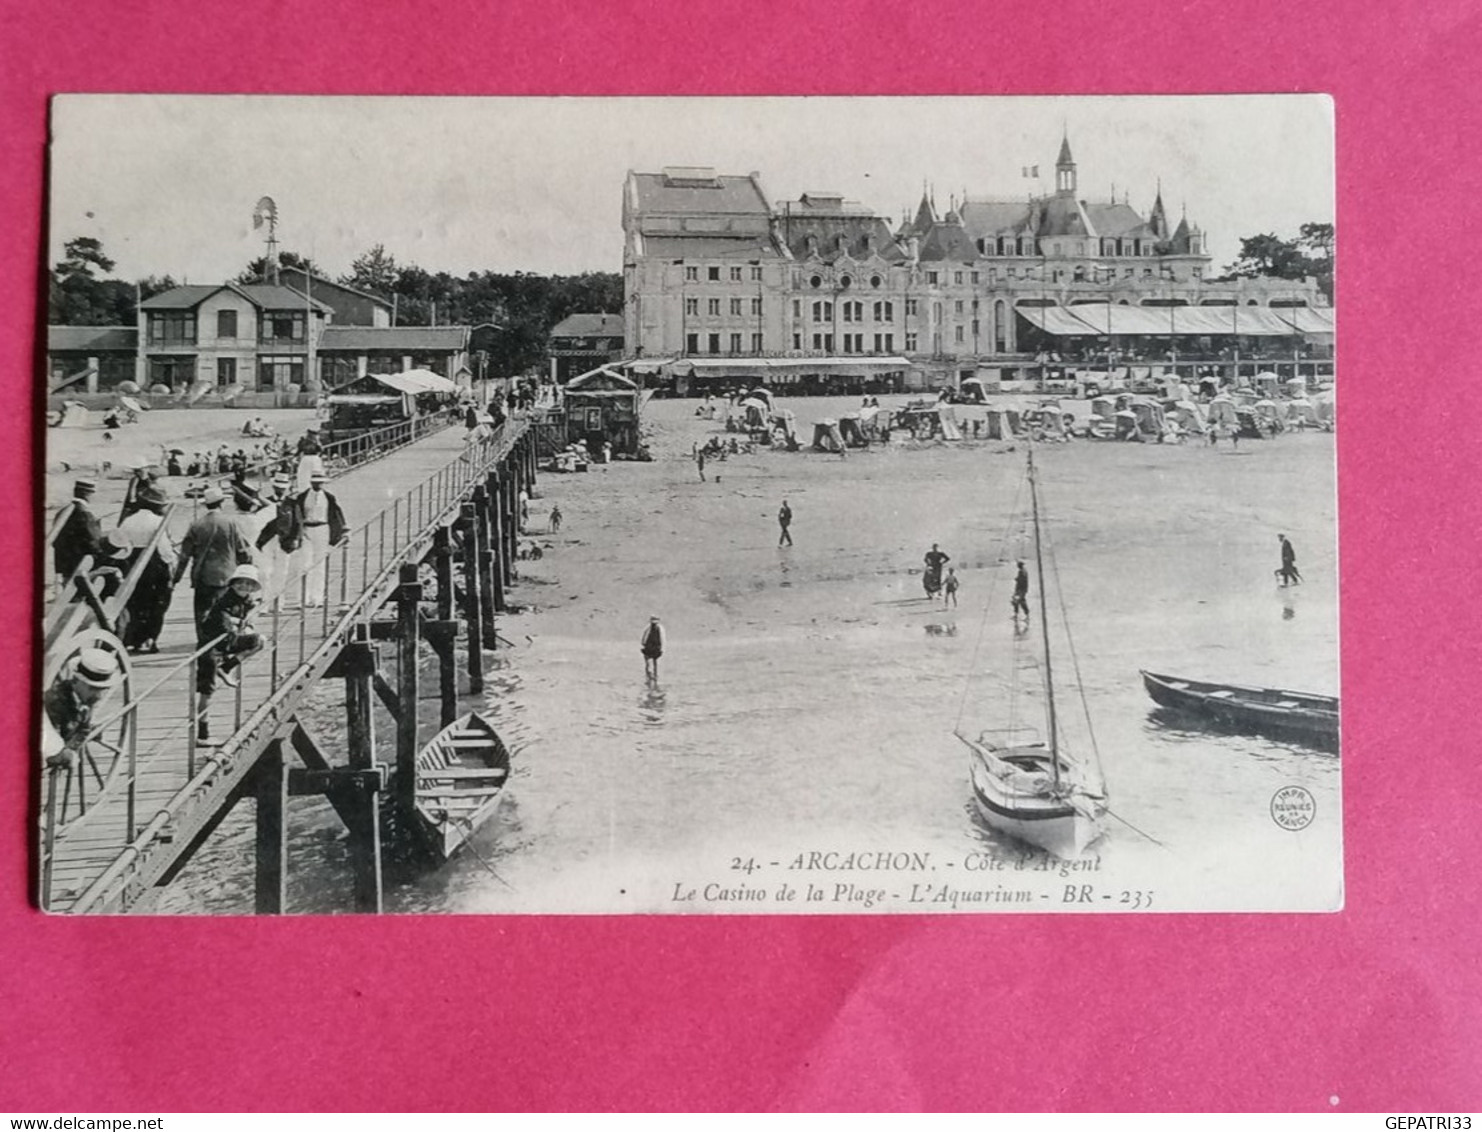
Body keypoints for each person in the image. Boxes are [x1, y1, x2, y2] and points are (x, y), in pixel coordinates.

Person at [173, 485, 255, 647]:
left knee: (202, 612)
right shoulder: (231, 523)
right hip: (227, 575)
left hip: (203, 575)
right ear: (222, 503)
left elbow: (184, 556)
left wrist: (175, 578)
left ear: (206, 505)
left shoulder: (197, 525)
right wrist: (248, 570)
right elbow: (243, 550)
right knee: (224, 610)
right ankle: (224, 640)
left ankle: (203, 643)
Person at [195, 564, 265, 744]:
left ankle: (227, 667)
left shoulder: (245, 600)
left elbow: (246, 618)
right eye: (241, 583)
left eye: (249, 584)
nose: (245, 587)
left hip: (225, 643)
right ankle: (203, 735)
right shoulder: (224, 601)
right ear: (233, 584)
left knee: (259, 640)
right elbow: (224, 627)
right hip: (211, 649)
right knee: (207, 692)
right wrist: (240, 625)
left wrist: (245, 623)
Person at [118, 483, 176, 654]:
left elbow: (121, 543)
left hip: (131, 564)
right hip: (153, 565)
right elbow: (165, 550)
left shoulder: (128, 520)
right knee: (156, 605)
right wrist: (172, 564)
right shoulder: (158, 521)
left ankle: (133, 639)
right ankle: (149, 639)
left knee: (135, 604)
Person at [42, 647, 120, 770]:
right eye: (93, 688)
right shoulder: (54, 702)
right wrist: (66, 755)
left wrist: (84, 735)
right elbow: (49, 746)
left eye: (103, 690)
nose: (99, 696)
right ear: (76, 680)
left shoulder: (85, 699)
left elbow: (84, 729)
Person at [293, 470, 347, 607]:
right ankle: (302, 598)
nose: (318, 485)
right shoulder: (302, 497)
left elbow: (336, 514)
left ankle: (317, 597)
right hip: (306, 529)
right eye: (315, 483)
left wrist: (343, 531)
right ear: (311, 482)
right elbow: (297, 515)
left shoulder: (329, 497)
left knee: (320, 564)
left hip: (322, 529)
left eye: (320, 483)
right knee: (304, 564)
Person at [51, 477, 103, 589]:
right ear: (87, 494)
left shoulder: (62, 511)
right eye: (94, 493)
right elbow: (94, 543)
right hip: (80, 566)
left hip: (63, 565)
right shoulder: (85, 514)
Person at [254, 473, 300, 598]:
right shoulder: (265, 502)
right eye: (278, 488)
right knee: (265, 572)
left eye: (283, 488)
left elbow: (297, 522)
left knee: (281, 572)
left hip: (284, 541)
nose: (280, 490)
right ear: (274, 487)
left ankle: (278, 602)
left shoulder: (292, 503)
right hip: (267, 540)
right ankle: (264, 601)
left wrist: (295, 538)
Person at [641, 615, 665, 681]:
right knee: (649, 663)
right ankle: (649, 675)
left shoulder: (659, 629)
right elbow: (644, 639)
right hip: (650, 648)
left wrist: (662, 648)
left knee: (655, 663)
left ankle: (654, 675)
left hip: (655, 648)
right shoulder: (648, 628)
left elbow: (662, 639)